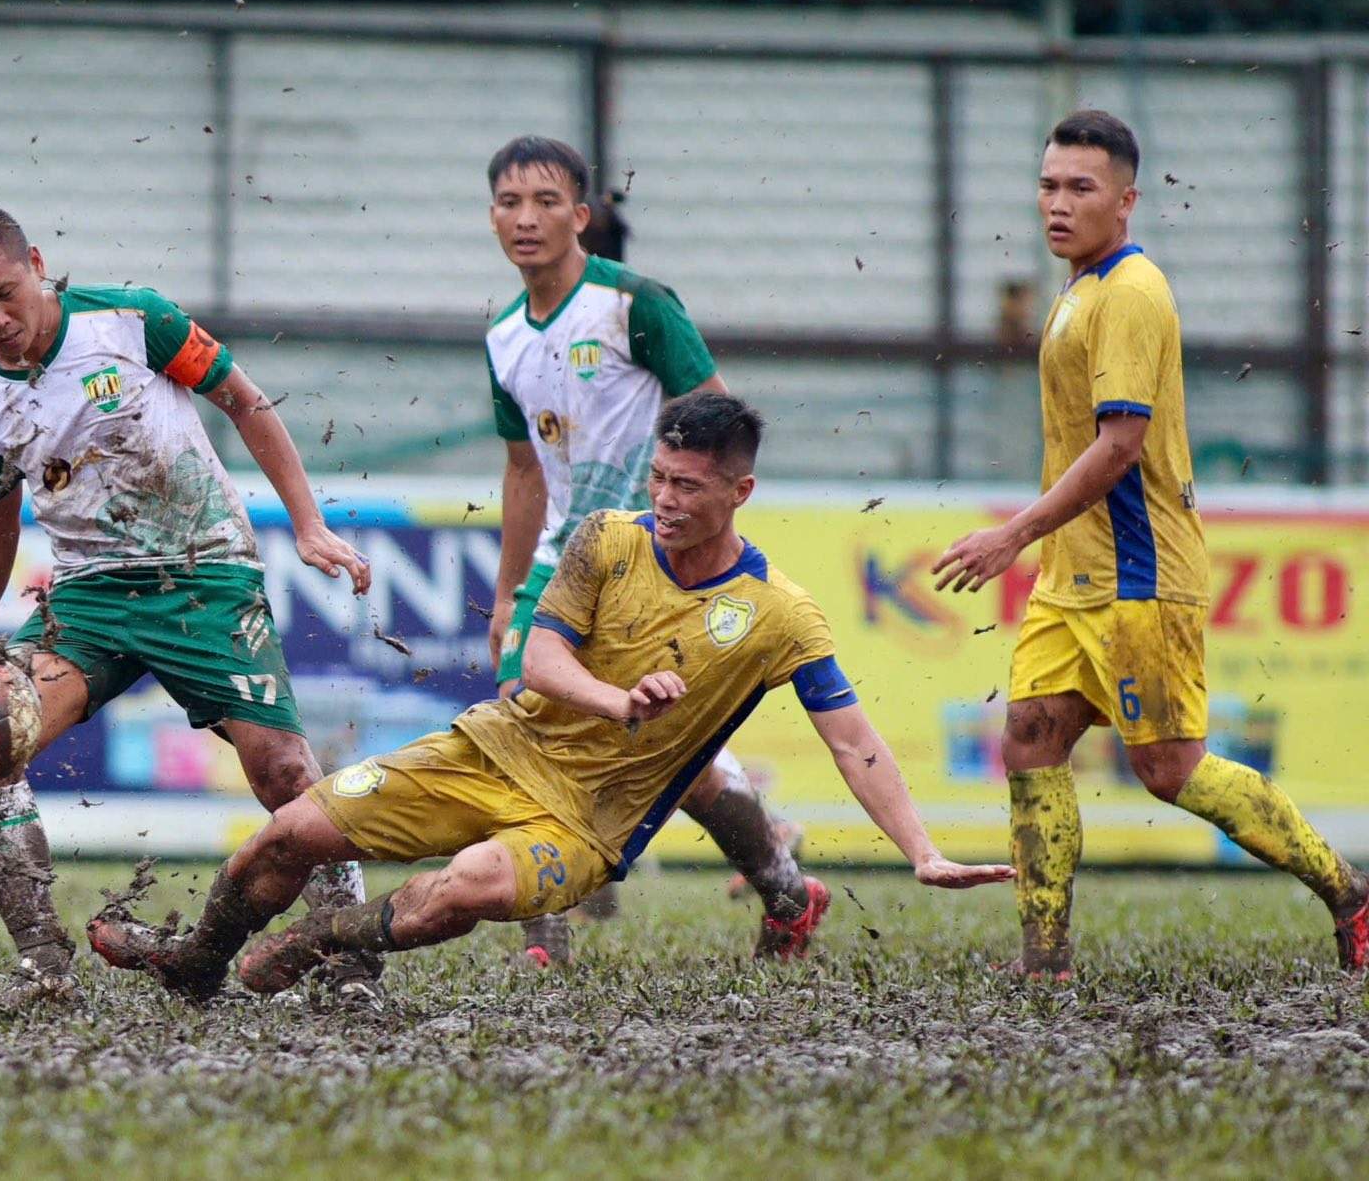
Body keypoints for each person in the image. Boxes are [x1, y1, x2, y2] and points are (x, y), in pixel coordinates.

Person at [88, 394, 1013, 1000]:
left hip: (587, 825)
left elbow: (855, 742)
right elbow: (539, 660)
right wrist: (618, 701)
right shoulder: (608, 538)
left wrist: (921, 852)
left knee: (474, 886)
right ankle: (198, 960)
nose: (666, 499)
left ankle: (325, 939)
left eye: (688, 487)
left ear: (742, 490)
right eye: (658, 478)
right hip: (491, 747)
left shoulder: (781, 617)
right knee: (290, 834)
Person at [0, 198, 379, 1005]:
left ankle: (347, 965)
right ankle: (44, 970)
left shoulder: (132, 320)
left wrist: (308, 525)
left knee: (288, 771)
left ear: (39, 264)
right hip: (89, 597)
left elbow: (245, 401)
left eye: (5, 294)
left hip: (204, 575)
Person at [932, 109, 1369, 977]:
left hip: (1140, 573)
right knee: (1030, 736)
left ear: (1127, 201)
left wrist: (1013, 533)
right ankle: (1044, 955)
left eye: (1080, 188)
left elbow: (1120, 445)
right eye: (1049, 184)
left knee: (1170, 770)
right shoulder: (1080, 286)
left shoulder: (1128, 293)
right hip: (1076, 576)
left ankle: (1351, 897)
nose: (1057, 203)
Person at [481, 136, 815, 966]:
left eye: (546, 201)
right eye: (510, 202)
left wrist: (695, 537)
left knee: (686, 766)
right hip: (563, 563)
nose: (527, 219)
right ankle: (544, 941)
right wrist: (505, 592)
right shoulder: (499, 336)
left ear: (581, 215)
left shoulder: (635, 304)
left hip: (651, 562)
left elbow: (719, 425)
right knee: (522, 722)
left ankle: (785, 887)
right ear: (491, 216)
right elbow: (524, 471)